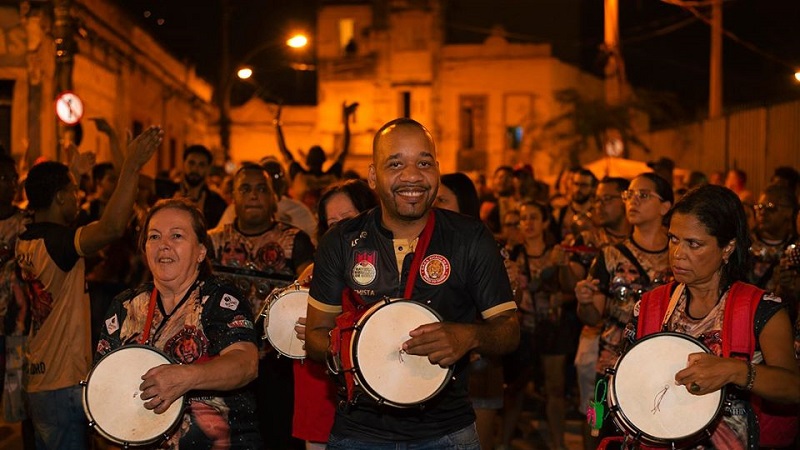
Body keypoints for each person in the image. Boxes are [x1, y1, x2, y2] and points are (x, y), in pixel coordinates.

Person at [304, 118, 519, 449]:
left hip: (447, 432)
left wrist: (469, 335)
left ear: (437, 171)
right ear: (373, 176)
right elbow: (314, 338)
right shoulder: (340, 241)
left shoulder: (470, 237)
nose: (412, 175)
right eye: (395, 163)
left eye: (424, 162)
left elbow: (509, 330)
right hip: (359, 433)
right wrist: (359, 344)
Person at [16, 126, 163, 449]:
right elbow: (111, 227)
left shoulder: (27, 237)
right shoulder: (60, 243)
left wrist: (76, 176)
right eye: (72, 191)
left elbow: (64, 217)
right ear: (59, 197)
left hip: (39, 377)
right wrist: (132, 166)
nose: (78, 196)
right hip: (61, 382)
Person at [631, 184, 799, 448]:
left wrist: (735, 370)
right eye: (674, 239)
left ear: (728, 247)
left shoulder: (761, 309)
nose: (678, 254)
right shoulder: (652, 305)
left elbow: (793, 387)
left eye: (694, 244)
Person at [95, 198, 261, 448]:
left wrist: (187, 377)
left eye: (177, 236)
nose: (164, 246)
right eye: (154, 237)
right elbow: (104, 385)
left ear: (201, 251)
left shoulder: (218, 299)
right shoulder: (125, 306)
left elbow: (246, 363)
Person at [208, 163, 314, 449]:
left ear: (274, 198)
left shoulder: (295, 241)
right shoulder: (212, 240)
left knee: (278, 435)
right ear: (232, 197)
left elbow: (311, 287)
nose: (253, 195)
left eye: (261, 189)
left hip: (277, 361)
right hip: (222, 356)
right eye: (245, 188)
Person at [574, 172, 674, 443]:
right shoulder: (609, 255)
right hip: (612, 364)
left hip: (664, 365)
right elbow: (592, 315)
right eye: (629, 195)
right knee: (599, 429)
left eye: (643, 195)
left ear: (665, 207)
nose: (633, 202)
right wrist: (584, 301)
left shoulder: (679, 255)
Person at [293, 179, 378, 450]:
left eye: (349, 218)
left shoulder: (387, 266)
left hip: (374, 402)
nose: (342, 229)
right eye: (332, 224)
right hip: (322, 390)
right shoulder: (314, 274)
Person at [435, 172, 503, 450]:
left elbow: (504, 316)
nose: (434, 206)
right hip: (436, 365)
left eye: (442, 200)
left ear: (463, 204)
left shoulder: (484, 248)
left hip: (478, 364)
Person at [276, 102, 359, 211]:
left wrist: (277, 124)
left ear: (307, 160)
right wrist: (346, 121)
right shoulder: (330, 176)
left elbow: (284, 151)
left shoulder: (300, 176)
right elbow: (344, 150)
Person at [218, 157, 317, 241]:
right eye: (246, 189)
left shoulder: (299, 210)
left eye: (278, 175)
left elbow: (314, 240)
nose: (253, 195)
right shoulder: (235, 210)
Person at [175, 144, 228, 228]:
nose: (195, 169)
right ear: (183, 164)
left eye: (201, 165)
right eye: (191, 163)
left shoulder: (217, 203)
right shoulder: (168, 191)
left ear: (208, 168)